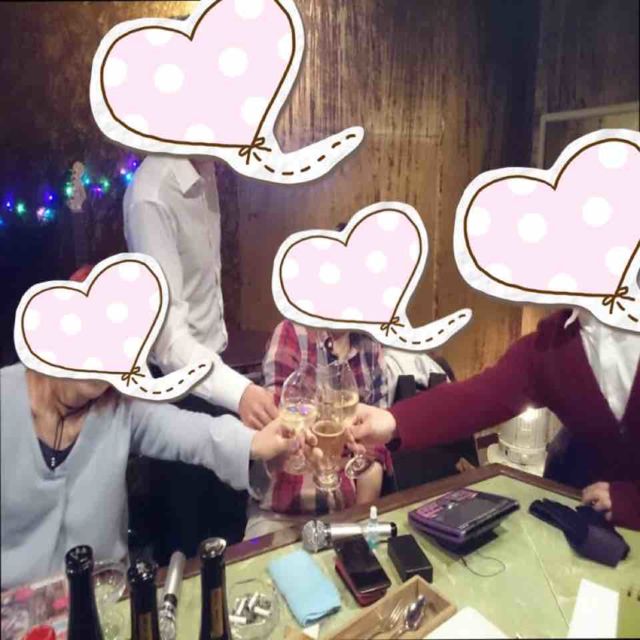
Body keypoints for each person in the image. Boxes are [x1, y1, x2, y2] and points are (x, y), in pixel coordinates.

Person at [334, 309, 640, 531]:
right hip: (590, 514)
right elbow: (478, 396)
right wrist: (391, 420)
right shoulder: (554, 344)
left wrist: (632, 502)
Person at [0, 363, 295, 590]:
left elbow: (191, 432)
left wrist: (255, 442)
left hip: (105, 598)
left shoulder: (119, 402)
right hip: (15, 613)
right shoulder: (6, 394)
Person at [123, 156, 279, 559]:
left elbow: (205, 278)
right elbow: (167, 340)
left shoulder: (206, 170)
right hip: (176, 383)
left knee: (230, 521)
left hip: (216, 371)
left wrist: (232, 388)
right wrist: (240, 392)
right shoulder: (151, 194)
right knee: (186, 537)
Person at [244, 319, 393, 538]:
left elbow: (375, 450)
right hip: (281, 514)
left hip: (344, 511)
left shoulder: (370, 344)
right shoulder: (293, 331)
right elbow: (277, 429)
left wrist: (357, 524)